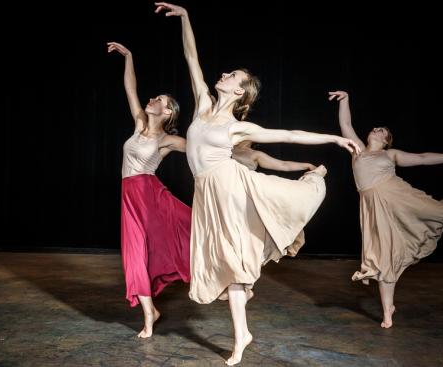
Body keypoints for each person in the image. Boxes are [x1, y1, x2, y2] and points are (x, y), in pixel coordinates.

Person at [154, 4, 361, 364]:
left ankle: (244, 294)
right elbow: (191, 55)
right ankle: (243, 331)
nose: (224, 74)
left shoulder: (238, 128)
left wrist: (333, 138)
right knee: (229, 262)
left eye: (232, 74)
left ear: (240, 91)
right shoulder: (203, 102)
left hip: (230, 188)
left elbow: (290, 134)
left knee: (235, 257)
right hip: (207, 192)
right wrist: (186, 16)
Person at [329, 90, 443, 328]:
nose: (377, 129)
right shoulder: (356, 148)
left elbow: (423, 158)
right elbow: (345, 123)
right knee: (385, 258)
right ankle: (388, 311)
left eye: (382, 131)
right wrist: (345, 99)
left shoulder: (390, 154)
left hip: (398, 196)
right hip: (374, 207)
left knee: (436, 211)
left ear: (386, 140)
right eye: (376, 128)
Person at [108, 41, 191, 338]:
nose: (152, 98)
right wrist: (129, 56)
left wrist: (236, 148)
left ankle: (224, 277)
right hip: (129, 195)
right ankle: (150, 312)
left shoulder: (166, 140)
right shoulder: (139, 123)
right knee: (133, 256)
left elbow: (198, 148)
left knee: (185, 232)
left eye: (159, 99)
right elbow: (130, 88)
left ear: (167, 111)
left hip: (149, 196)